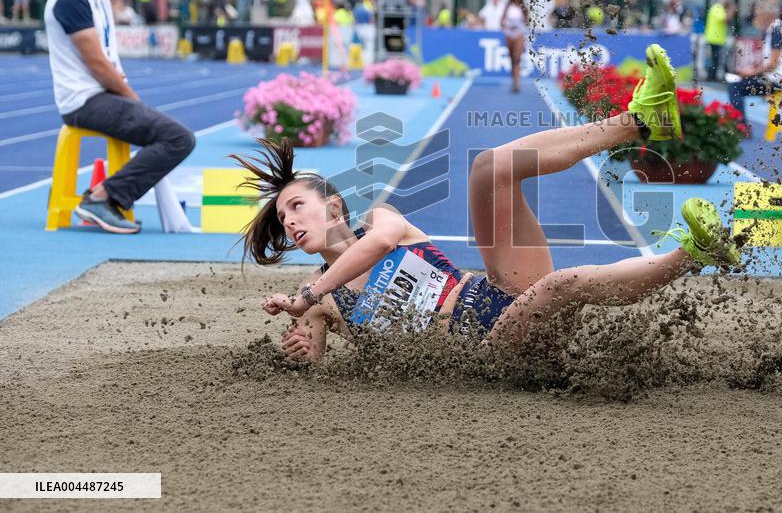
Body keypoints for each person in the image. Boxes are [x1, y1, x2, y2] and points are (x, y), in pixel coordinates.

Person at [240, 45, 734, 360]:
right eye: (283, 219)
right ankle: (693, 254)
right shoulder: (320, 300)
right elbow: (310, 353)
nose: (289, 222)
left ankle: (639, 122)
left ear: (333, 207)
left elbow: (381, 243)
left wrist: (309, 293)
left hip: (498, 295)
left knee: (490, 168)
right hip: (484, 349)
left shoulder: (378, 221)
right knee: (560, 285)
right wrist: (304, 340)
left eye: (296, 207)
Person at [43, 0, 236, 234]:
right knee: (177, 138)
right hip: (84, 101)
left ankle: (107, 196)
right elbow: (98, 65)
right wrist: (135, 101)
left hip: (101, 96)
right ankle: (103, 197)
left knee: (171, 134)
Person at [727, 0, 782, 121]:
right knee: (739, 81)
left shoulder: (776, 31)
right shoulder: (776, 29)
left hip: (779, 81)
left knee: (734, 85)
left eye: (758, 15)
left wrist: (750, 73)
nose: (756, 18)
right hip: (779, 79)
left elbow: (772, 65)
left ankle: (740, 125)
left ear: (768, 15)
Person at [500, 0, 529, 93]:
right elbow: (501, 21)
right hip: (509, 34)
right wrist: (507, 24)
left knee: (517, 58)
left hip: (519, 34)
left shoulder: (523, 8)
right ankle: (514, 80)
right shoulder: (508, 7)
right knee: (512, 59)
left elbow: (528, 22)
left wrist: (521, 22)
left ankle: (517, 82)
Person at [704, 0, 735, 82]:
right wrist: (732, 10)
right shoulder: (717, 8)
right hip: (714, 39)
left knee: (715, 59)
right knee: (714, 59)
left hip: (716, 39)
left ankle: (712, 77)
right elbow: (725, 19)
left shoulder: (717, 8)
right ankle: (711, 78)